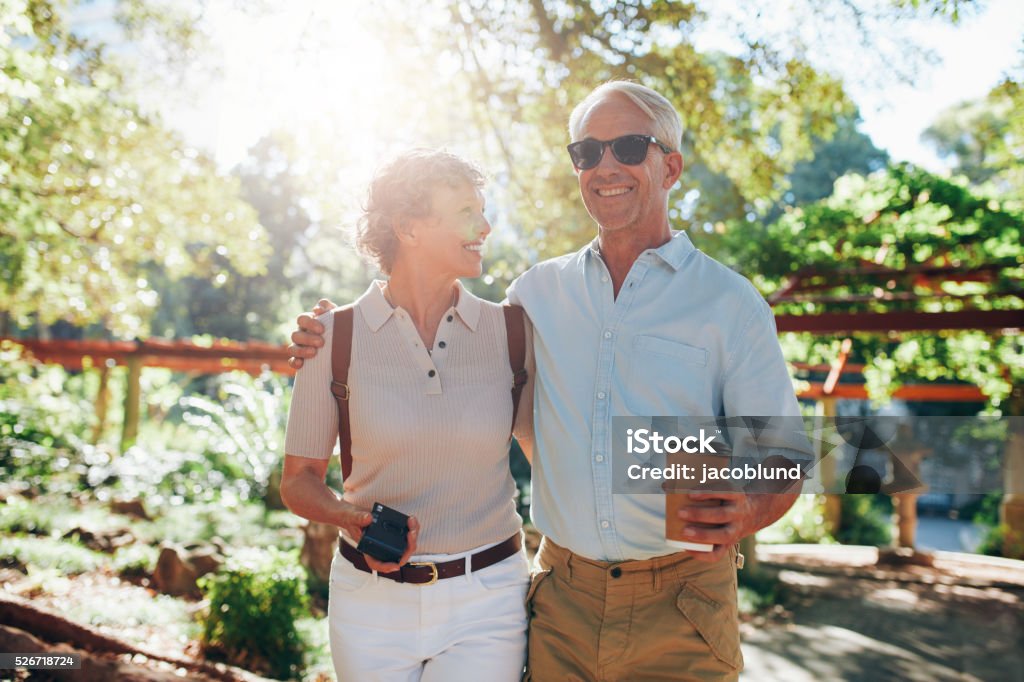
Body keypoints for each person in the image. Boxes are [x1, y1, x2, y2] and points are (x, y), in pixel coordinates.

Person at [289, 82, 804, 681]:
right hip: (563, 598)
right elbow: (451, 362)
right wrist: (324, 336)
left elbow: (782, 457)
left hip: (684, 605)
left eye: (629, 147)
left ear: (671, 166)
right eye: (587, 153)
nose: (605, 166)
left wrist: (747, 510)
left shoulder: (730, 302)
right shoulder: (535, 296)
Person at [280, 149, 534, 682]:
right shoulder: (331, 339)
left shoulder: (512, 334)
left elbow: (554, 458)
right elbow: (299, 483)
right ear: (410, 226)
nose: (485, 226)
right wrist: (353, 518)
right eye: (467, 211)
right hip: (368, 605)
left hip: (489, 599)